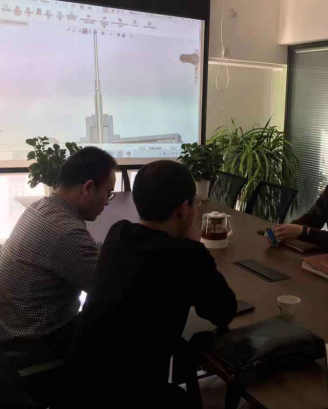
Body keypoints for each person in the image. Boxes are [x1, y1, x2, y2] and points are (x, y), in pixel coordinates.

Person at [66, 160, 237, 407]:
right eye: (194, 203)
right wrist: (194, 244)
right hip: (133, 395)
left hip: (79, 383)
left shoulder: (118, 233)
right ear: (183, 209)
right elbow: (224, 312)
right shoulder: (188, 256)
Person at [0, 146, 117, 361]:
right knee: (125, 318)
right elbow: (109, 290)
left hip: (4, 328)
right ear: (88, 188)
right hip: (31, 342)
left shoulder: (42, 207)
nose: (107, 202)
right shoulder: (65, 232)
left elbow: (82, 256)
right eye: (108, 193)